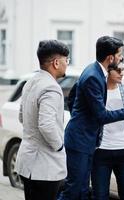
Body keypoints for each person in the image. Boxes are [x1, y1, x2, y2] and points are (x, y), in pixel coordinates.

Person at [59, 36, 124, 200]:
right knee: (73, 190)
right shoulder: (93, 76)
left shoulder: (94, 71)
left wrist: (82, 117)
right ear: (110, 58)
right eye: (120, 55)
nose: (121, 58)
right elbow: (102, 115)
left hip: (86, 140)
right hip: (80, 141)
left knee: (83, 191)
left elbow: (73, 99)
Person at [15, 40, 69, 200]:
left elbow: (21, 116)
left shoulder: (30, 82)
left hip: (27, 163)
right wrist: (59, 146)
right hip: (45, 167)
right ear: (56, 63)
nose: (67, 64)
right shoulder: (51, 87)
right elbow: (46, 125)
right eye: (66, 60)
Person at [91, 62, 124, 200]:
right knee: (99, 196)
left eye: (123, 69)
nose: (122, 73)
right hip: (101, 151)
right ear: (108, 70)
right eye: (118, 70)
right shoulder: (98, 92)